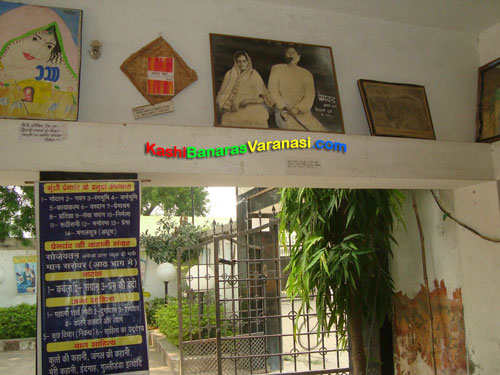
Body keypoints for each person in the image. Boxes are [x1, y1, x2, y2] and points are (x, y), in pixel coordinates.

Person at [0, 5, 80, 120]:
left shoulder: (47, 72)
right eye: (35, 39)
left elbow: (71, 84)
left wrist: (32, 72)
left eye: (48, 46)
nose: (36, 52)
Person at [268, 46, 325, 131]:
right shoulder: (277, 69)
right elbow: (273, 91)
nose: (291, 55)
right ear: (285, 55)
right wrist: (284, 107)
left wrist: (297, 109)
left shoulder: (306, 74)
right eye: (289, 53)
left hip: (302, 112)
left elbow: (309, 95)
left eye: (294, 53)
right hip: (282, 110)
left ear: (299, 56)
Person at [216, 51, 273, 128]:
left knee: (259, 116)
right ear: (235, 62)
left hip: (253, 105)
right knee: (226, 118)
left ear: (248, 62)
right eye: (239, 61)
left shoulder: (254, 74)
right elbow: (223, 95)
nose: (242, 64)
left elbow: (262, 98)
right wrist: (230, 103)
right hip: (233, 107)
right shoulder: (229, 74)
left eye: (244, 61)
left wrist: (248, 101)